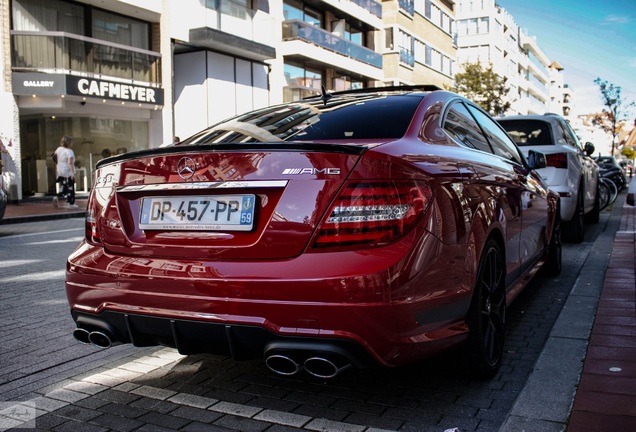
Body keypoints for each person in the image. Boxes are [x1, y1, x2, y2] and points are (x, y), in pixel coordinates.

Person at [53, 135, 78, 208]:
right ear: (69, 143)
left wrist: (58, 166)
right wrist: (72, 173)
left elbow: (54, 158)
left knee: (64, 186)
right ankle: (70, 203)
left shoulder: (58, 149)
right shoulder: (69, 151)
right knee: (70, 187)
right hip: (67, 171)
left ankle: (57, 196)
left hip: (60, 171)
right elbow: (70, 163)